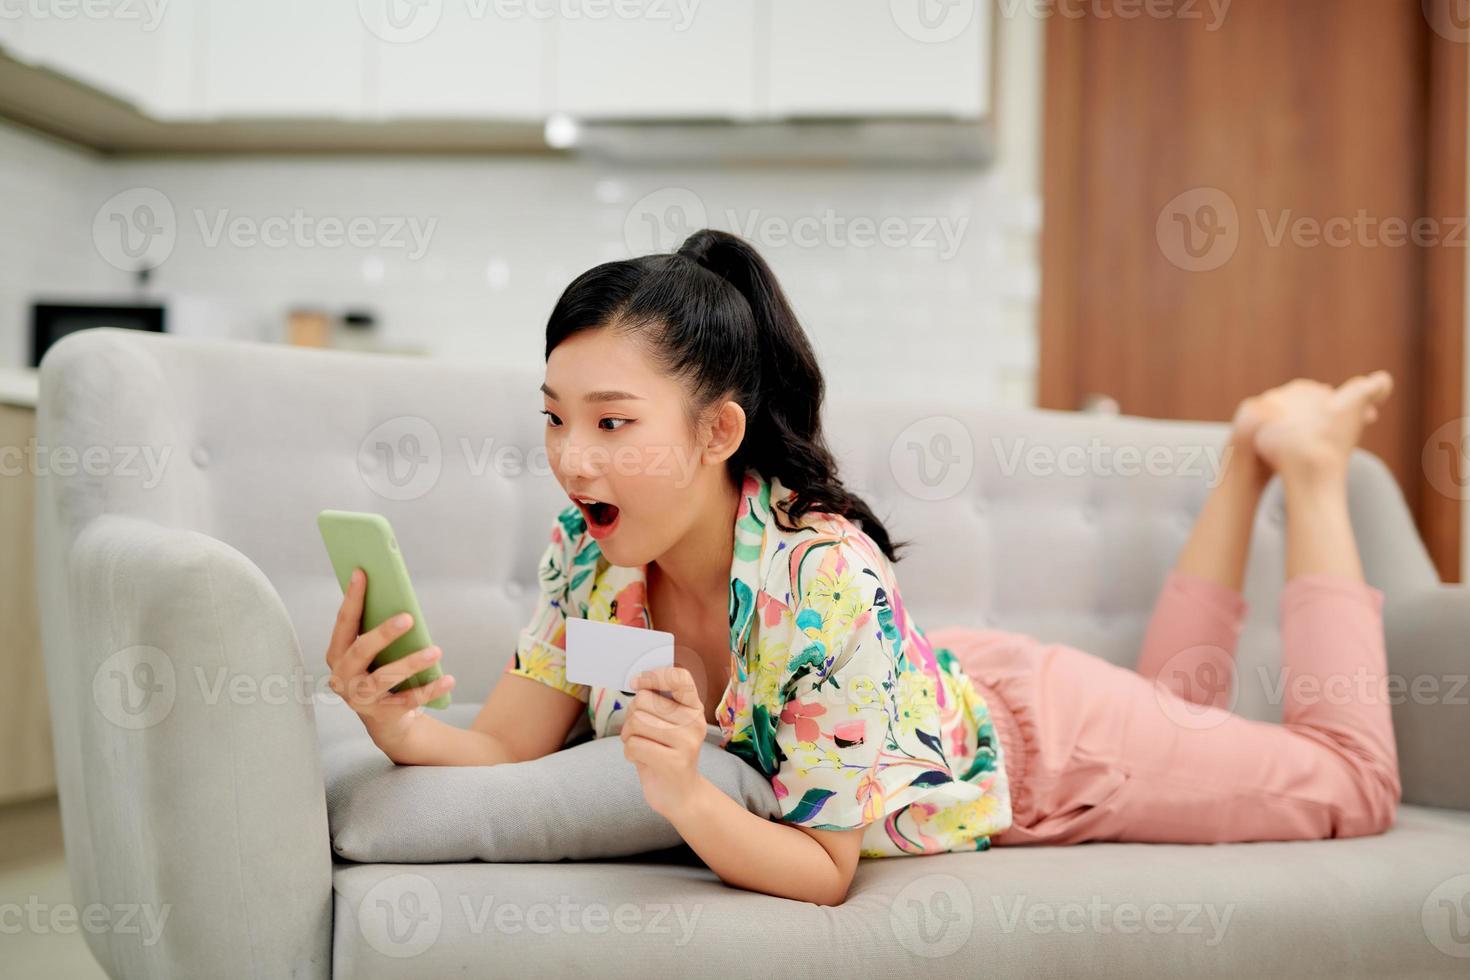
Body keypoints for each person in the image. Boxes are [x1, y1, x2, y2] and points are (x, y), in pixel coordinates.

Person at [323, 228, 1400, 907]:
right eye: (556, 417)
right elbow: (508, 739)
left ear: (716, 433)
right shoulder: (593, 553)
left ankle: (1304, 465)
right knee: (1186, 709)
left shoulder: (819, 576)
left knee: (1351, 782)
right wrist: (400, 724)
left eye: (612, 421)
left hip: (1052, 750)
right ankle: (1244, 460)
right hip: (919, 688)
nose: (571, 457)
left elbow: (826, 872)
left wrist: (684, 794)